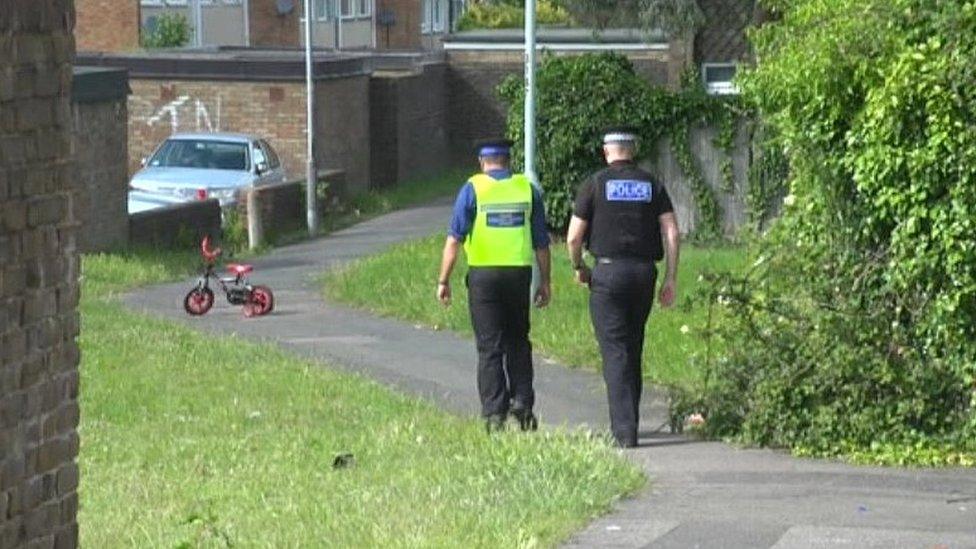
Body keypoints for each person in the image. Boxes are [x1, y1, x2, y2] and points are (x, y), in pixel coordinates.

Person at [566, 126, 680, 448]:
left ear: (607, 152)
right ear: (634, 150)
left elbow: (574, 237)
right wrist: (671, 277)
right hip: (645, 273)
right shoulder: (651, 184)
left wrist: (579, 267)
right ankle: (630, 421)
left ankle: (624, 432)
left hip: (608, 273)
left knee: (615, 350)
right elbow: (672, 232)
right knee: (633, 346)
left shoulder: (595, 184)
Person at [437, 138, 552, 433]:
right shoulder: (527, 189)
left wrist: (444, 280)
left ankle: (493, 414)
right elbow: (541, 243)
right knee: (518, 341)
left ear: (482, 162)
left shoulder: (472, 189)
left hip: (483, 277)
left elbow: (454, 240)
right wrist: (546, 282)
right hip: (518, 276)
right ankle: (523, 406)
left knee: (489, 347)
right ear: (508, 160)